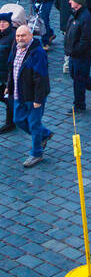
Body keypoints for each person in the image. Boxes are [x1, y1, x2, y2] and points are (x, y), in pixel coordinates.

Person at [7, 23, 53, 168]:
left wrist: (38, 100)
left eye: (23, 35)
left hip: (33, 96)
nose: (20, 38)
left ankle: (37, 153)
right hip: (18, 93)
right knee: (18, 119)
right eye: (18, 35)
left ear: (31, 36)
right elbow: (12, 68)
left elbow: (41, 78)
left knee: (34, 124)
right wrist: (9, 86)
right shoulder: (16, 47)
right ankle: (44, 134)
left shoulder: (37, 53)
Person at [63, 0, 91, 115]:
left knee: (78, 79)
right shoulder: (75, 14)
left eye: (72, 0)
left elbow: (86, 40)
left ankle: (79, 105)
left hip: (81, 55)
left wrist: (75, 51)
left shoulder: (85, 17)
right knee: (75, 75)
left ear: (79, 2)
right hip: (73, 53)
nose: (70, 1)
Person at [0, 10, 16, 134]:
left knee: (8, 98)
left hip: (7, 73)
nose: (1, 24)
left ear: (9, 23)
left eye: (4, 22)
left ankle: (10, 123)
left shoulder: (13, 36)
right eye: (0, 22)